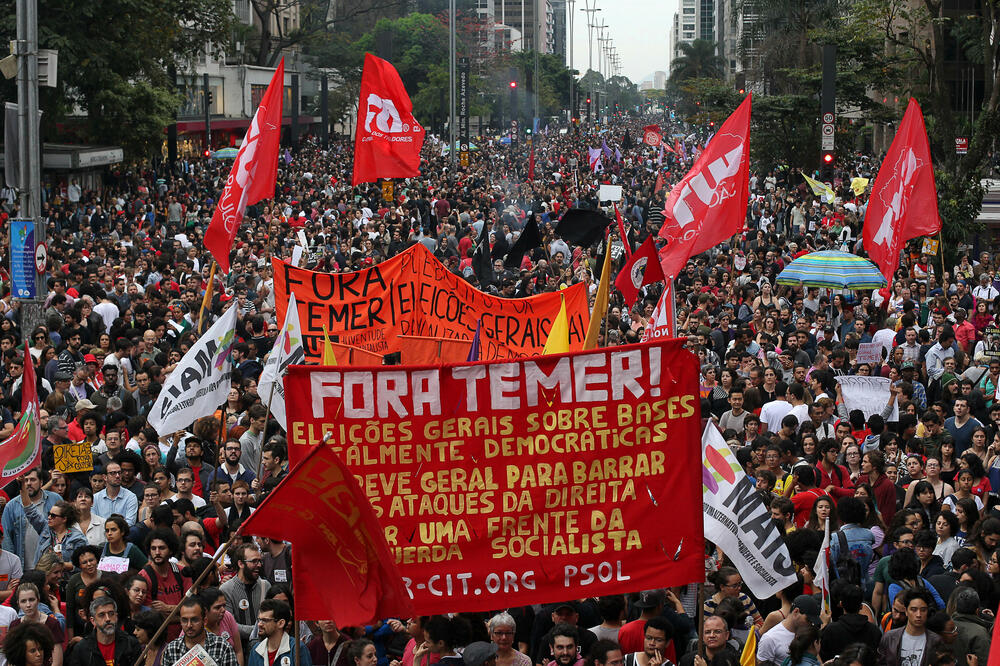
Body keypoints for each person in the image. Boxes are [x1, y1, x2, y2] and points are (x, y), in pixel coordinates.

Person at [2, 469, 61, 568]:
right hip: (22, 567)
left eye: (33, 480)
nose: (29, 483)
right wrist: (11, 566)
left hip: (50, 567)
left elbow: (64, 528)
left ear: (41, 482)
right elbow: (6, 539)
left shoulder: (55, 499)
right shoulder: (11, 506)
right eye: (26, 480)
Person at [161, 597, 238, 666]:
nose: (189, 625)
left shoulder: (222, 647)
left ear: (205, 621)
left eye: (194, 620)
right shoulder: (171, 649)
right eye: (184, 620)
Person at [66, 596, 142, 666]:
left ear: (116, 617)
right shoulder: (81, 649)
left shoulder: (131, 644)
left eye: (111, 614)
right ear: (93, 621)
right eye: (101, 615)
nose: (108, 619)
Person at [220, 543, 271, 643]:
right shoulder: (226, 590)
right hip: (238, 646)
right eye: (254, 561)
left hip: (264, 645)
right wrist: (259, 629)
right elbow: (229, 625)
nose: (259, 565)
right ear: (240, 564)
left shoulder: (266, 586)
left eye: (259, 561)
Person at [877, 588, 940, 666]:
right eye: (914, 610)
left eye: (923, 610)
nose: (918, 615)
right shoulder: (889, 637)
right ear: (906, 611)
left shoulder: (935, 641)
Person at [756, 595, 824, 666]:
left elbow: (815, 659)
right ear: (796, 611)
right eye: (808, 620)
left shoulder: (808, 633)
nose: (810, 623)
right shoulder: (769, 638)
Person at [9, 583, 64, 666]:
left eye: (31, 600)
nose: (28, 605)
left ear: (38, 600)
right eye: (23, 601)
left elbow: (57, 662)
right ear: (18, 604)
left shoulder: (52, 623)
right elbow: (12, 660)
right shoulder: (15, 625)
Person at [247, 599, 311, 666]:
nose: (259, 624)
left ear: (281, 623)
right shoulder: (256, 650)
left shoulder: (297, 648)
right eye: (259, 620)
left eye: (265, 620)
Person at [92, 462, 138, 527]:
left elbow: (130, 523)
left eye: (119, 473)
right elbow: (93, 522)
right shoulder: (95, 498)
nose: (117, 476)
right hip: (100, 532)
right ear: (105, 477)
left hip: (123, 532)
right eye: (113, 473)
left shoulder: (130, 497)